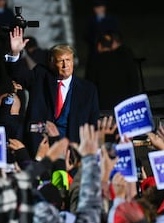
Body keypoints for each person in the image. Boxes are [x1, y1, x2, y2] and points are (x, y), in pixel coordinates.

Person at [5, 26, 100, 157]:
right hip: (41, 146)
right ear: (51, 63)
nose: (65, 66)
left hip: (73, 150)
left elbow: (92, 121)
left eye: (68, 60)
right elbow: (18, 75)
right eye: (61, 61)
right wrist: (15, 53)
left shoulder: (88, 89)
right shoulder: (40, 76)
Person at [85, 31, 141, 111]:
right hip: (123, 105)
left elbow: (89, 85)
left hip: (103, 107)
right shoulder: (122, 59)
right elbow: (133, 81)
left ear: (99, 46)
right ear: (111, 45)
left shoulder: (95, 62)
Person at [83, 0, 120, 72]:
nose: (98, 10)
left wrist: (109, 40)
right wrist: (95, 41)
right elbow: (86, 35)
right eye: (96, 8)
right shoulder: (91, 21)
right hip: (95, 51)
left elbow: (116, 33)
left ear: (104, 8)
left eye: (100, 7)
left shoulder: (111, 20)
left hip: (109, 49)